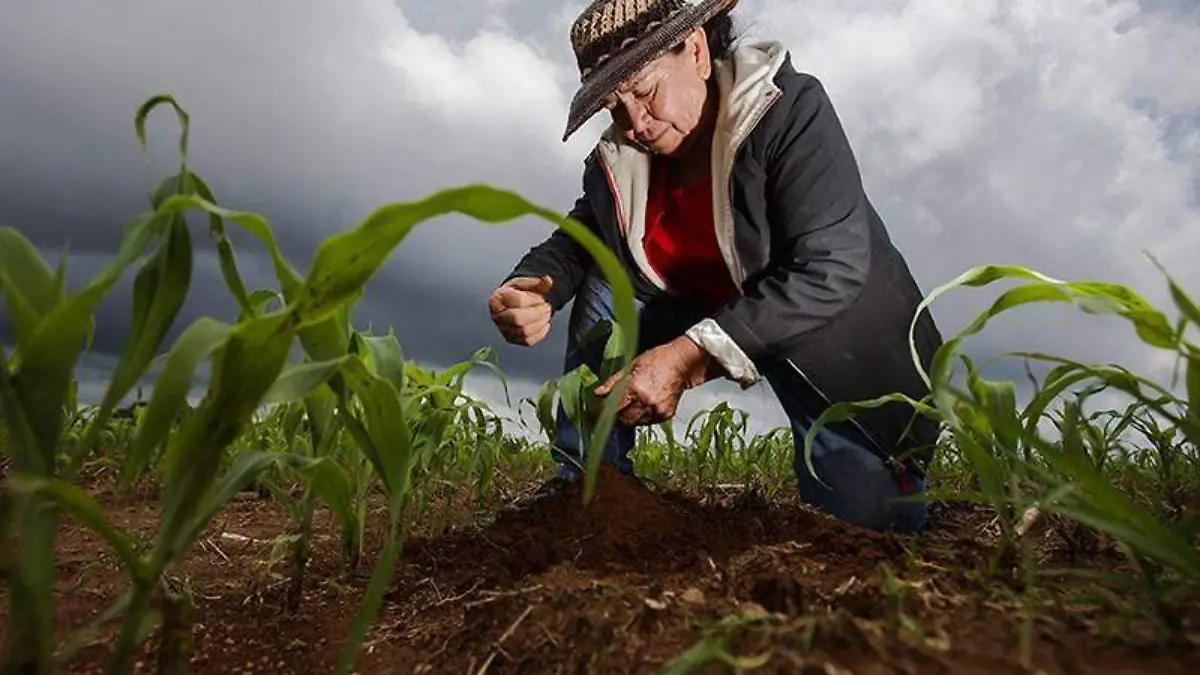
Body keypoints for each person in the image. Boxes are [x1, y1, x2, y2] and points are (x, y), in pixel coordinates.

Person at [487, 0, 944, 533]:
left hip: (820, 333)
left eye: (645, 91)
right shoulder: (623, 160)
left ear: (698, 51)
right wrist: (532, 287)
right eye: (614, 108)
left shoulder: (789, 112)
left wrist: (686, 357)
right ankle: (587, 481)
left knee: (870, 524)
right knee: (605, 285)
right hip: (694, 305)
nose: (635, 124)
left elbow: (830, 268)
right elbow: (584, 236)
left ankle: (881, 471)